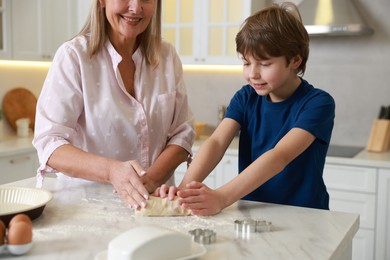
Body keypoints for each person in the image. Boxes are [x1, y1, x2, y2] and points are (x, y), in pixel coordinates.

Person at [156, 2, 335, 216]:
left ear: (295, 60)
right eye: (246, 63)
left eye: (265, 64)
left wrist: (222, 197)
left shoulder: (317, 103)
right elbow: (216, 142)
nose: (252, 74)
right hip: (253, 212)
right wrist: (183, 191)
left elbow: (280, 155)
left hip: (305, 215)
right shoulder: (246, 97)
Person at [33, 0, 194, 210]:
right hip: (87, 210)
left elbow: (182, 133)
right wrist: (111, 171)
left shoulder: (167, 56)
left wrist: (151, 180)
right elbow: (49, 143)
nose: (136, 8)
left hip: (154, 207)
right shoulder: (74, 57)